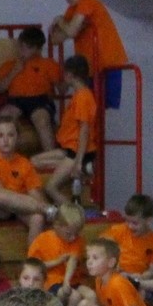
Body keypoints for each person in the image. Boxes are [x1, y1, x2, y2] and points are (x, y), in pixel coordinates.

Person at [0, 119, 55, 242]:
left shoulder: (24, 163)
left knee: (38, 218)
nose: (5, 140)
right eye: (0, 136)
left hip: (19, 206)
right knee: (0, 196)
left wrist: (31, 203)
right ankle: (48, 209)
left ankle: (33, 254)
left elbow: (34, 193)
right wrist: (42, 206)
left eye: (10, 135)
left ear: (17, 138)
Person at [34, 56, 95, 205]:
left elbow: (84, 130)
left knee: (50, 188)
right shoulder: (79, 94)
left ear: (70, 74)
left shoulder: (83, 96)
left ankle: (74, 214)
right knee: (33, 161)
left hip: (77, 152)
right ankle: (81, 167)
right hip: (69, 149)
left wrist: (78, 161)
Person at [50, 0, 127, 83]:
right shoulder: (72, 9)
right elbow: (55, 39)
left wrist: (60, 21)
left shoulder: (88, 0)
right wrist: (72, 28)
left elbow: (70, 31)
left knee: (108, 96)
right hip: (89, 66)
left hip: (108, 61)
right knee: (88, 94)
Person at [0, 26, 61, 153]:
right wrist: (14, 71)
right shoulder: (10, 65)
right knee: (4, 117)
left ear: (37, 49)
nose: (22, 50)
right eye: (21, 46)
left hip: (40, 100)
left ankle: (50, 158)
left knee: (42, 119)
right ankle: (2, 158)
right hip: (16, 101)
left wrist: (67, 79)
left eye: (27, 47)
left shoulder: (48, 64)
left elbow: (62, 89)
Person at [26, 203, 88, 299]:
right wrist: (58, 261)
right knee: (74, 296)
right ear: (56, 225)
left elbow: (73, 260)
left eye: (76, 234)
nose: (73, 237)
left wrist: (66, 282)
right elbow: (35, 266)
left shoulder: (78, 241)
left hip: (73, 281)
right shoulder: (42, 240)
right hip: (51, 282)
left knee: (91, 295)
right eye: (68, 233)